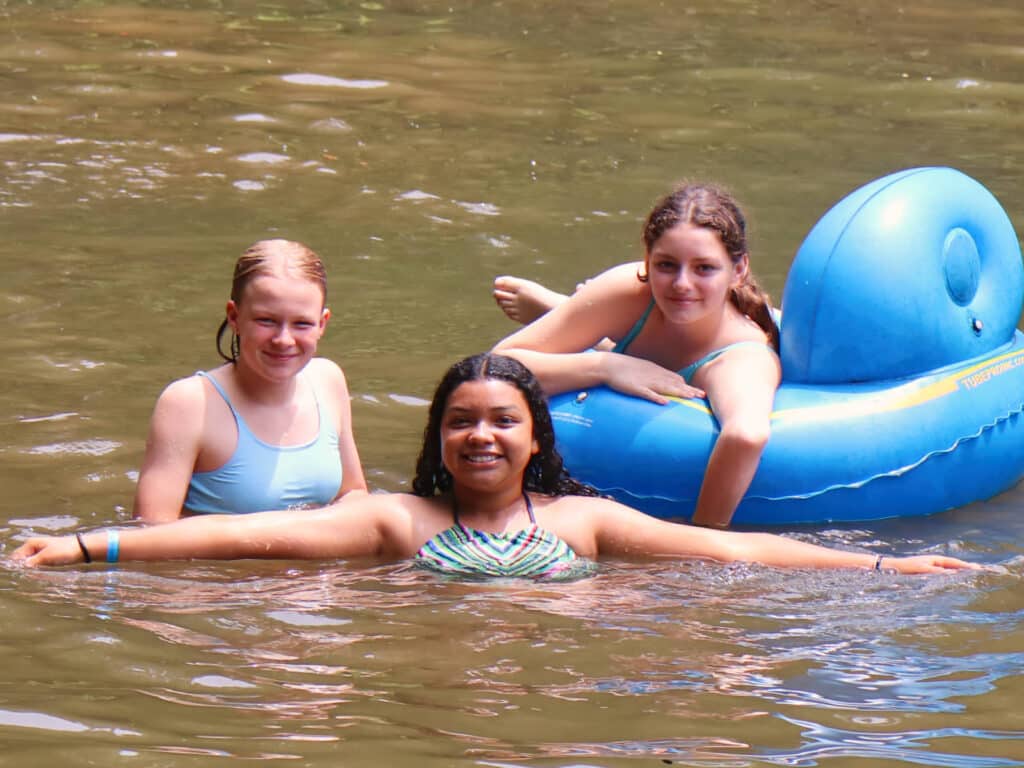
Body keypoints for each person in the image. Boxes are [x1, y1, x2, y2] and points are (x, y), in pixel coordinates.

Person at [13, 354, 975, 577]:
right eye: (461, 422)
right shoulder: (394, 522)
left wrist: (885, 568)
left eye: (502, 423)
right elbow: (230, 537)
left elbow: (732, 559)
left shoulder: (582, 524)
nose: (480, 437)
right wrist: (83, 551)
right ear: (437, 440)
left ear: (533, 440)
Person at [492, 183, 779, 529]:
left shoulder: (743, 358)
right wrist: (606, 366)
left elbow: (746, 435)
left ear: (739, 269)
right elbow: (497, 368)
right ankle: (576, 318)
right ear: (647, 260)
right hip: (631, 329)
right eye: (666, 265)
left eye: (704, 268)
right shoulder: (632, 291)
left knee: (599, 331)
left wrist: (702, 533)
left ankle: (565, 311)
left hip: (705, 354)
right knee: (605, 336)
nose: (681, 284)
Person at [132, 239, 367, 522]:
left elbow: (353, 494)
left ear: (322, 324)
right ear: (234, 317)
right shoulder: (189, 404)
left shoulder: (328, 380)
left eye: (301, 323)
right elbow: (151, 534)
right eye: (266, 321)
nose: (283, 340)